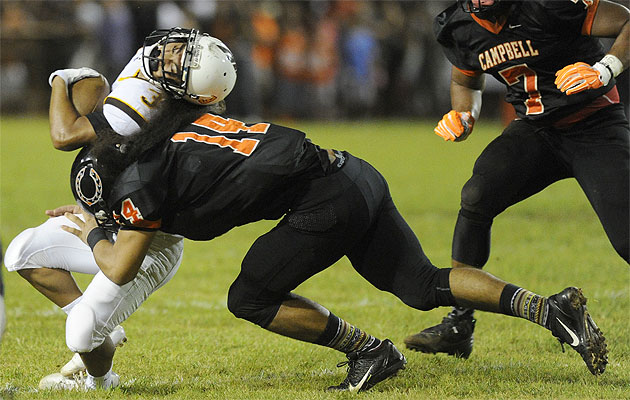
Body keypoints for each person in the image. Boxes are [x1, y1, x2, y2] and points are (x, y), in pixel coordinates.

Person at [60, 43, 608, 389]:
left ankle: (370, 352)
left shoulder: (144, 175)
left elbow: (120, 264)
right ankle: (549, 308)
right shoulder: (183, 125)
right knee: (420, 284)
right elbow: (108, 139)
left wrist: (94, 229)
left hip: (321, 199)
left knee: (248, 297)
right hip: (350, 171)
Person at [4, 27, 237, 390]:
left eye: (179, 64)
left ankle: (100, 380)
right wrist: (97, 209)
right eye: (178, 50)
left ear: (193, 93)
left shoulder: (144, 114)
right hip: (113, 219)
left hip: (144, 245)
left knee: (81, 336)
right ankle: (105, 327)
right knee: (23, 253)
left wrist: (62, 80)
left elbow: (63, 136)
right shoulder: (163, 90)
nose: (167, 57)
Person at [404, 0, 629, 359]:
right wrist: (463, 115)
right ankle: (460, 323)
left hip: (594, 125)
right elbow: (465, 80)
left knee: (627, 239)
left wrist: (605, 69)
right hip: (536, 130)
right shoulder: (459, 25)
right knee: (477, 196)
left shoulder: (547, 5)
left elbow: (627, 22)